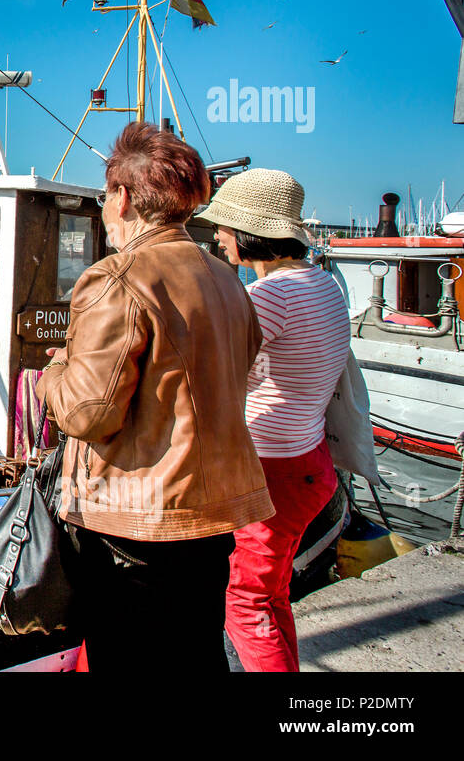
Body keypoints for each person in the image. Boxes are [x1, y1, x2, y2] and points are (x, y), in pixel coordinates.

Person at [34, 120, 274, 672]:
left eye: (105, 198)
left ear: (122, 198)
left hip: (136, 525)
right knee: (195, 656)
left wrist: (54, 372)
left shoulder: (116, 278)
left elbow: (88, 413)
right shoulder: (226, 279)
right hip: (211, 518)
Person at [202, 169, 349, 672]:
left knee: (244, 604)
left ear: (248, 233)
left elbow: (212, 373)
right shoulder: (323, 284)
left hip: (273, 473)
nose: (218, 237)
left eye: (223, 227)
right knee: (270, 596)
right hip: (309, 461)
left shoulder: (271, 296)